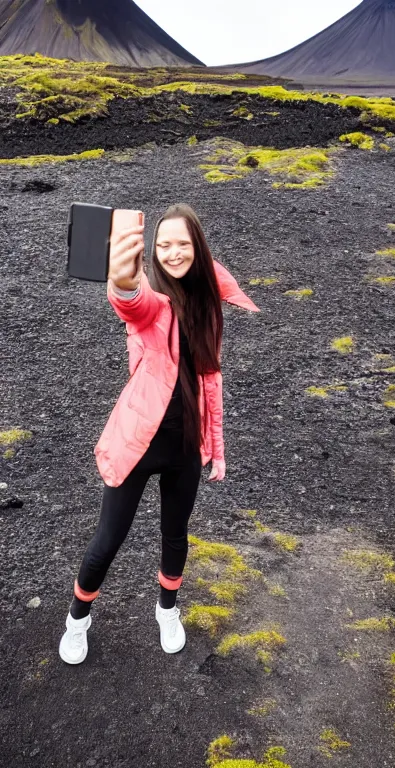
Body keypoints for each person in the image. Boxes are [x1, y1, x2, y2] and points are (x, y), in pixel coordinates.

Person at [59, 203, 259, 664]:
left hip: (186, 445)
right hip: (138, 443)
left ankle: (167, 609)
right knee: (109, 538)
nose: (173, 253)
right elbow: (131, 301)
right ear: (152, 250)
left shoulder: (209, 303)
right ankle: (77, 619)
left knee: (176, 533)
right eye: (163, 244)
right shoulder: (152, 302)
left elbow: (211, 381)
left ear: (198, 248)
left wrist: (216, 448)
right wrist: (123, 279)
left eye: (182, 244)